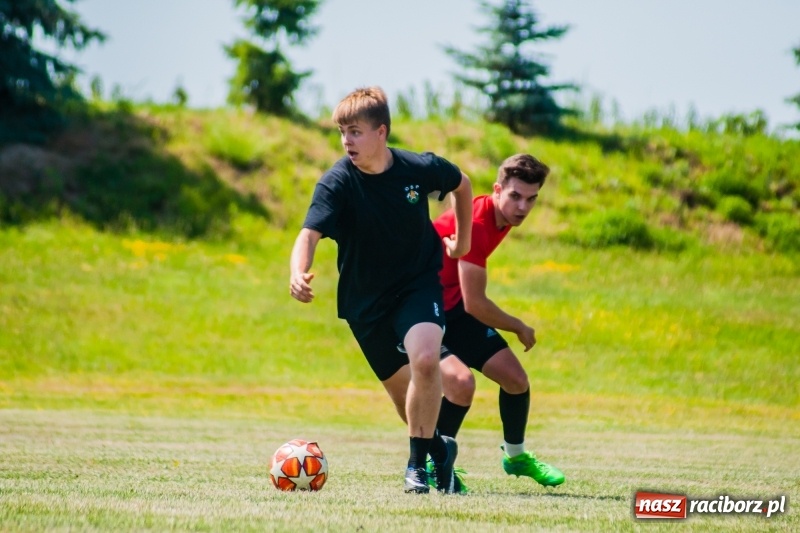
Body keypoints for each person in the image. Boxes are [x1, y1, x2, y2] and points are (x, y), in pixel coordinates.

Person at [289, 86, 473, 494]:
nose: (346, 141)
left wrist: (462, 242)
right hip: (365, 304)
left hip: (416, 285)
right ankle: (439, 451)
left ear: (381, 132)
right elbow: (309, 234)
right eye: (342, 132)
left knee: (426, 361)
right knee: (404, 397)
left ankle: (415, 467)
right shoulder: (337, 182)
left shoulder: (417, 168)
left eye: (355, 131)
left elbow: (462, 183)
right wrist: (298, 271)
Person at [432, 153, 565, 491]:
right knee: (461, 385)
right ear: (497, 189)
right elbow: (476, 303)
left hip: (453, 307)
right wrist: (518, 325)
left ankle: (516, 456)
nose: (523, 207)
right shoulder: (477, 223)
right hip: (419, 307)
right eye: (515, 196)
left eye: (532, 199)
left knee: (515, 379)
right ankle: (436, 463)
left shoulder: (501, 217)